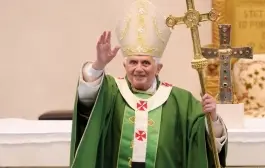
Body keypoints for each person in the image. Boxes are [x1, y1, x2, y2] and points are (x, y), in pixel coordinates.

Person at [69, 0, 228, 167]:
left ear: (158, 68)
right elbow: (87, 99)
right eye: (133, 62)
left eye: (145, 63)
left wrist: (213, 118)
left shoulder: (182, 101)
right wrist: (99, 65)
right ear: (125, 65)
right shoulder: (111, 92)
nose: (138, 69)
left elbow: (204, 143)